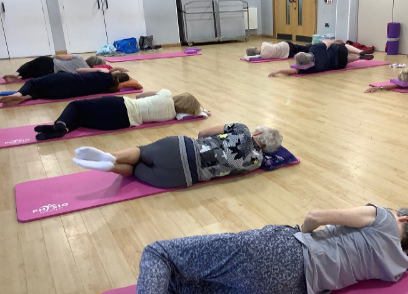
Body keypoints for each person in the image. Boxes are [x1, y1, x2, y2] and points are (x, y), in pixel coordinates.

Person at [135, 204, 408, 293]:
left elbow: (315, 216)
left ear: (405, 217)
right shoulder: (399, 267)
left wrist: (299, 233)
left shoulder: (383, 217)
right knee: (182, 285)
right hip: (292, 287)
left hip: (280, 251)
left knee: (158, 253)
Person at [72, 123, 283, 188]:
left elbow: (202, 133)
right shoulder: (257, 162)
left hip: (182, 147)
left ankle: (109, 156)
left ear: (257, 133)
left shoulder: (242, 129)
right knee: (135, 171)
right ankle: (110, 167)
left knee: (140, 151)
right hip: (185, 177)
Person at [34, 90, 206, 140]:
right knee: (81, 121)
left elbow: (140, 96)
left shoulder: (166, 94)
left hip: (121, 105)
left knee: (76, 106)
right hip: (122, 122)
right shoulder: (171, 116)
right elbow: (192, 115)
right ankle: (64, 130)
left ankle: (61, 123)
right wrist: (200, 112)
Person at [0, 68, 132, 106]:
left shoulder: (105, 73)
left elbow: (80, 70)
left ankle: (17, 95)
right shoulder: (110, 88)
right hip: (65, 93)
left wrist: (113, 68)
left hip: (67, 80)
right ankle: (26, 97)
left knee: (33, 83)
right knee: (39, 91)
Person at [268, 41, 375, 77]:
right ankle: (359, 52)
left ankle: (358, 57)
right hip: (339, 51)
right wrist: (330, 44)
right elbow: (328, 42)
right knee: (341, 44)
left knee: (345, 60)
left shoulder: (308, 69)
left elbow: (292, 71)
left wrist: (277, 71)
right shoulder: (314, 48)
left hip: (340, 64)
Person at [2, 54, 128, 82]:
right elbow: (104, 71)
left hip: (49, 62)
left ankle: (17, 73)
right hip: (51, 72)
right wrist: (117, 68)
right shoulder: (87, 71)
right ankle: (20, 76)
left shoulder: (79, 58)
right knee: (34, 74)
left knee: (29, 65)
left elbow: (60, 56)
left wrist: (54, 56)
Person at [246, 41, 312, 60]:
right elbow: (271, 44)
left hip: (287, 55)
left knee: (298, 51)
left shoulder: (263, 56)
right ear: (255, 48)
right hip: (285, 45)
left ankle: (309, 49)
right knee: (298, 47)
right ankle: (311, 47)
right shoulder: (263, 44)